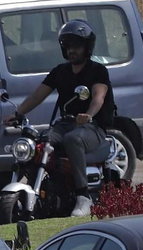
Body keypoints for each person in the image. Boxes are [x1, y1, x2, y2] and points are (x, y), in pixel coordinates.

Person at [7, 19, 113, 217]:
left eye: (77, 46)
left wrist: (88, 115)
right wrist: (18, 113)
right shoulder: (60, 72)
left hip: (93, 127)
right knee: (41, 140)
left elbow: (98, 97)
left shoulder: (98, 71)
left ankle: (83, 197)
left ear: (87, 47)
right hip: (66, 123)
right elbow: (37, 95)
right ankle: (40, 188)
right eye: (69, 46)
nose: (72, 50)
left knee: (73, 139)